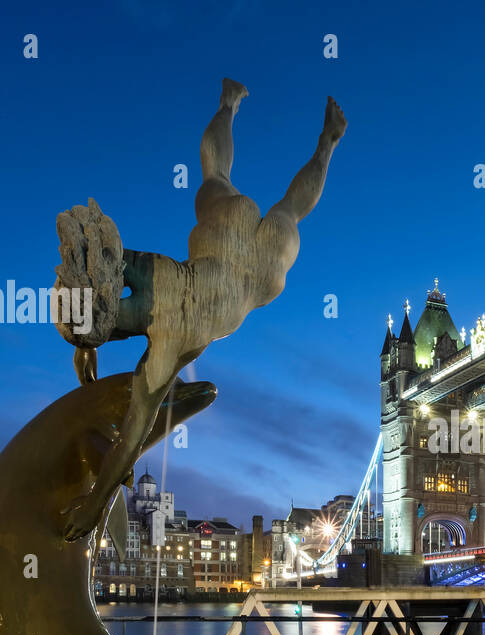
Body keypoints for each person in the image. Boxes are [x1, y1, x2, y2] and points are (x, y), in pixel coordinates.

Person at [55, 78, 346, 540]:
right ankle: (237, 105)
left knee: (290, 210)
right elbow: (103, 260)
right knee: (216, 176)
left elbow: (133, 435)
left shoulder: (167, 349)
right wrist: (83, 336)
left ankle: (326, 141)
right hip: (222, 236)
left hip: (260, 274)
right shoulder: (146, 269)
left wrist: (93, 508)